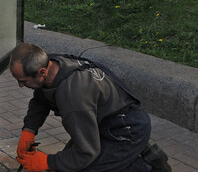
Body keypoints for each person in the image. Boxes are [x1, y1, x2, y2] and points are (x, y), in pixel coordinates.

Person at [10, 43, 171, 172]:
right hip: (105, 124)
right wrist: (29, 130)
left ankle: (147, 165)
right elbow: (41, 98)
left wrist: (46, 162)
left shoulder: (72, 95)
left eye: (23, 81)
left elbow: (86, 152)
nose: (20, 85)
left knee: (78, 166)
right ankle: (124, 158)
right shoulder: (52, 63)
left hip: (127, 130)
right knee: (68, 164)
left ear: (42, 72)